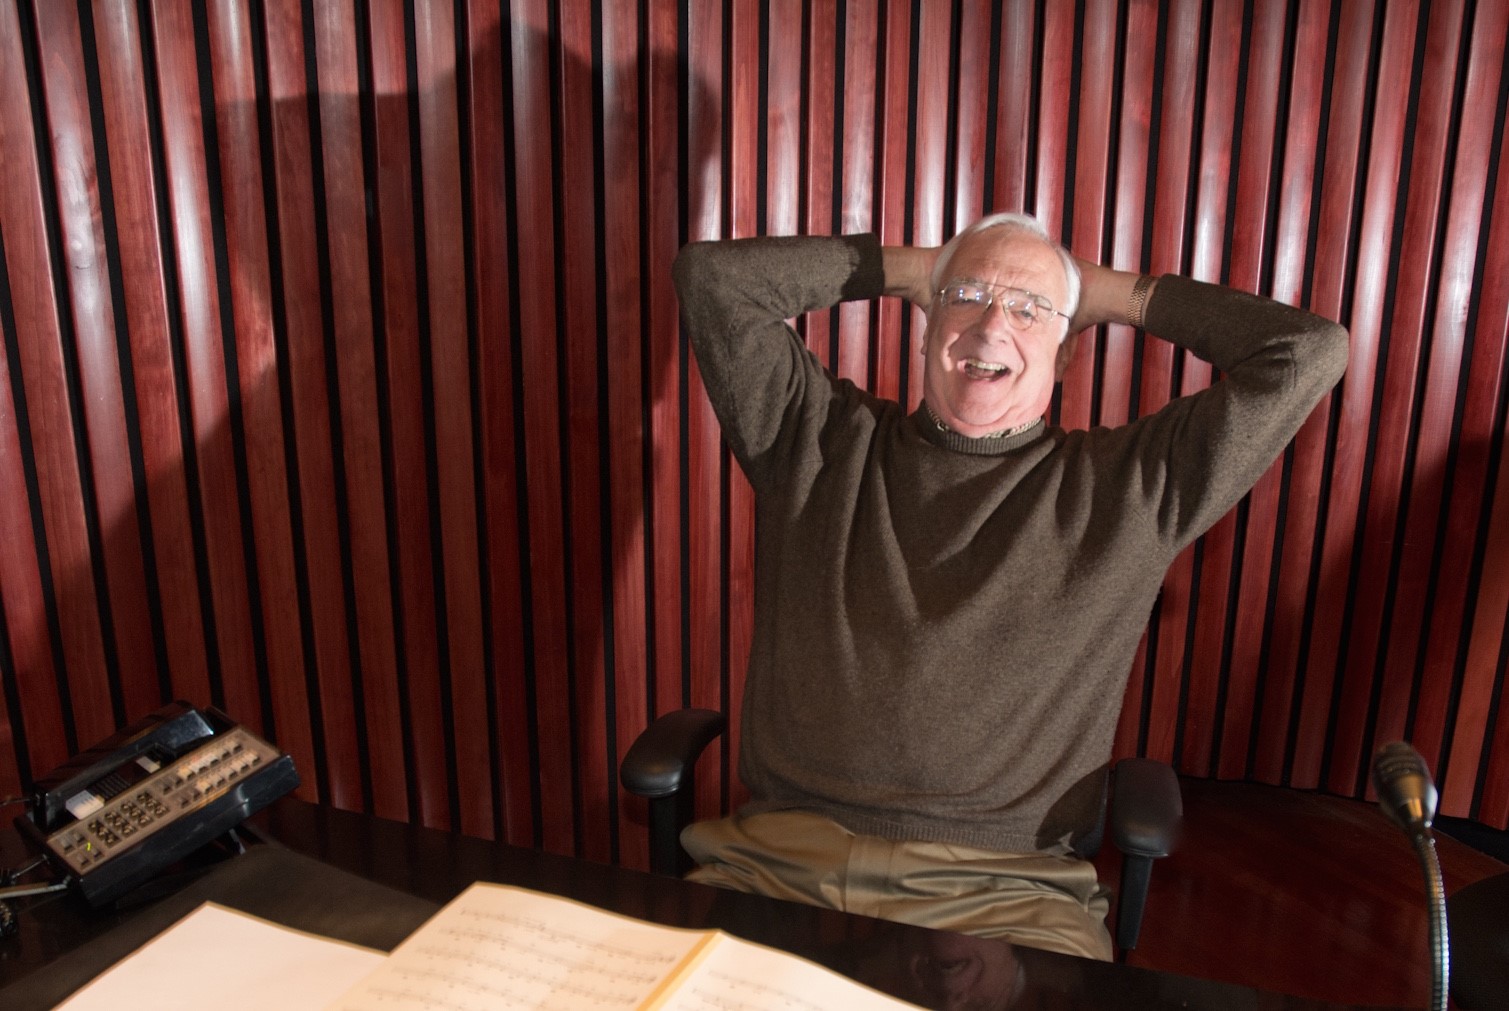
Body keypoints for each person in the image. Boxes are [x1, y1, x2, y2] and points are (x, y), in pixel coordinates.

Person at [669, 213, 1348, 960]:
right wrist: (909, 268)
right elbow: (714, 280)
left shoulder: (1131, 487)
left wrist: (1111, 293)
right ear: (925, 327)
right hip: (775, 868)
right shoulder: (815, 439)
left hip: (1004, 896)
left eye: (1028, 311)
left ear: (1064, 355)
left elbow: (1307, 351)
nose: (992, 326)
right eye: (964, 297)